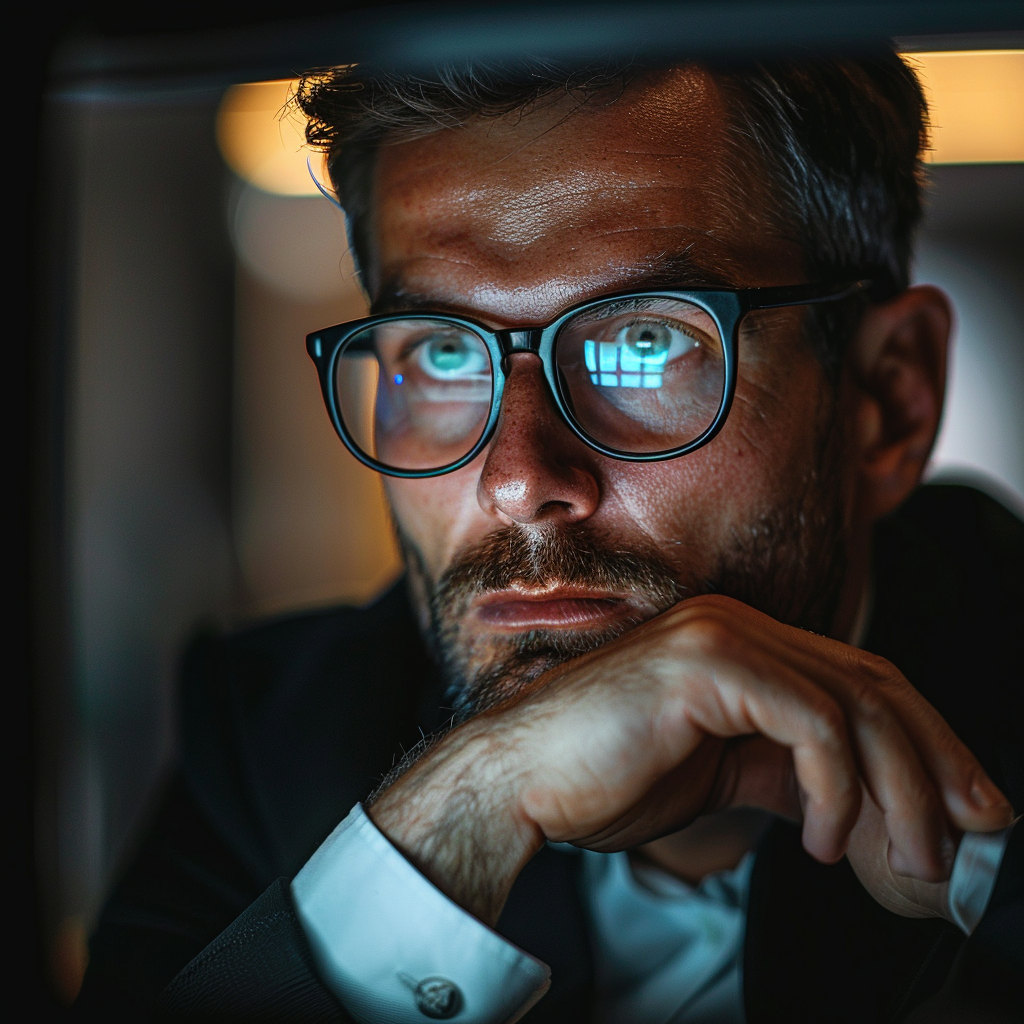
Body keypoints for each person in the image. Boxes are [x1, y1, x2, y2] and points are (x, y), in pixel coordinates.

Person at [76, 51, 1023, 1023]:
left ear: (887, 400)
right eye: (443, 352)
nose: (519, 479)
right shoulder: (274, 739)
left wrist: (980, 866)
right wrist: (465, 814)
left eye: (643, 342)